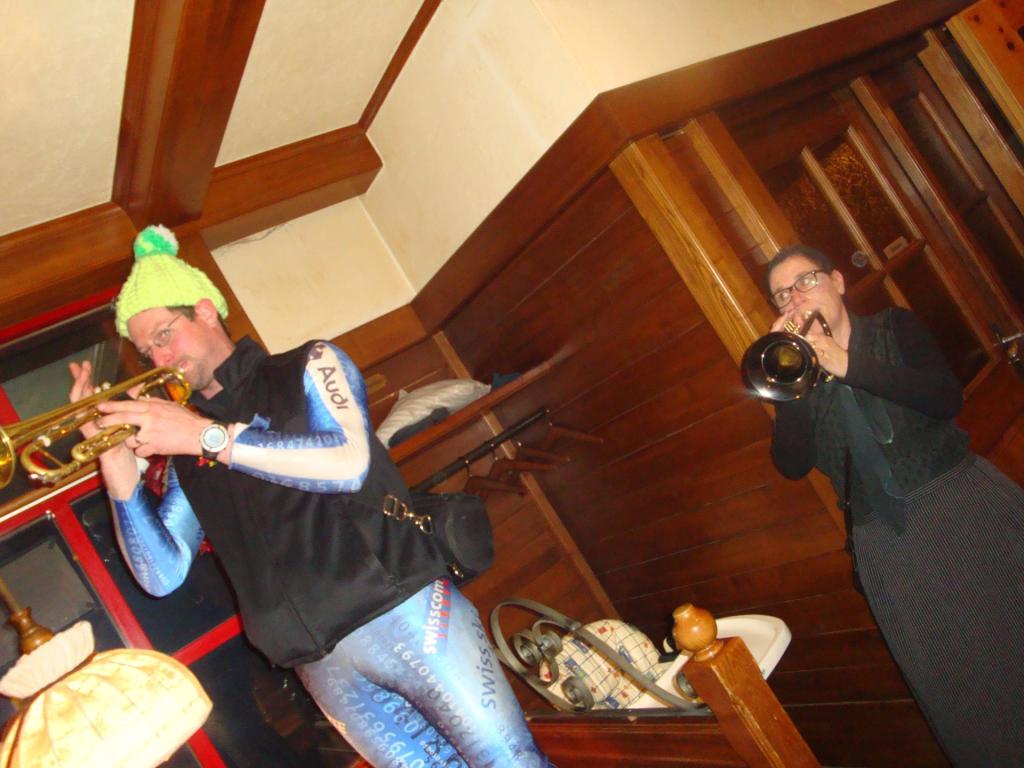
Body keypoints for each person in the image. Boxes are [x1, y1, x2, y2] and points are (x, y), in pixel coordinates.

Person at [70, 224, 552, 768]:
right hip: (319, 665)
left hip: (404, 611)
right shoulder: (189, 449)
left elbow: (347, 462)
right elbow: (162, 576)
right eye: (146, 351)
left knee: (510, 762)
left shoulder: (307, 365)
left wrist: (207, 437)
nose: (159, 359)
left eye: (164, 335)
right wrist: (120, 475)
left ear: (205, 311)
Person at [764, 244, 1023, 766]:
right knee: (965, 690)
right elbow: (791, 464)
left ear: (838, 281)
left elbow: (945, 398)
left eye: (806, 281)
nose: (795, 298)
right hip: (891, 548)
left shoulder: (893, 327)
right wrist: (792, 378)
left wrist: (846, 364)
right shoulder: (798, 376)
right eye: (782, 294)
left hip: (964, 507)